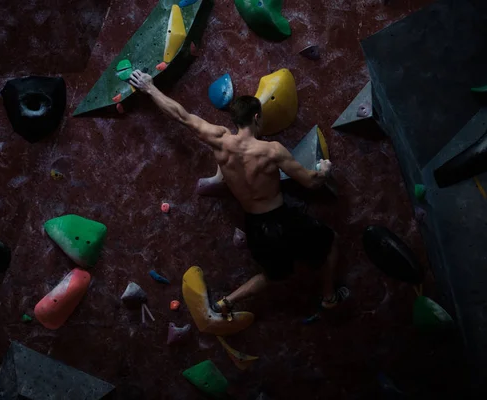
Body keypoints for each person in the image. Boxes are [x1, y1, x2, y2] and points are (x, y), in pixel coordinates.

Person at [128, 70, 349, 319]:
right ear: (256, 118)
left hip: (255, 225)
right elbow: (310, 183)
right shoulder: (271, 150)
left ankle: (225, 303)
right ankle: (329, 298)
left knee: (273, 274)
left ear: (235, 121)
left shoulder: (220, 141)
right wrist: (324, 170)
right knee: (330, 241)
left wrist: (150, 88)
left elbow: (182, 116)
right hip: (281, 219)